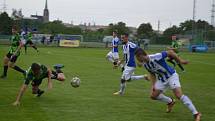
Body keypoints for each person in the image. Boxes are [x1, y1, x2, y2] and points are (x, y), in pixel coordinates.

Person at [135, 48, 201, 121]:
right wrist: (153, 85)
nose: (137, 59)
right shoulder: (145, 64)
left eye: (137, 57)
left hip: (171, 76)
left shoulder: (156, 56)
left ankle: (196, 113)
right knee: (153, 96)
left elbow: (170, 52)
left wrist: (180, 61)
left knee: (178, 95)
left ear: (141, 56)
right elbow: (152, 74)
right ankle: (170, 102)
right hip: (162, 80)